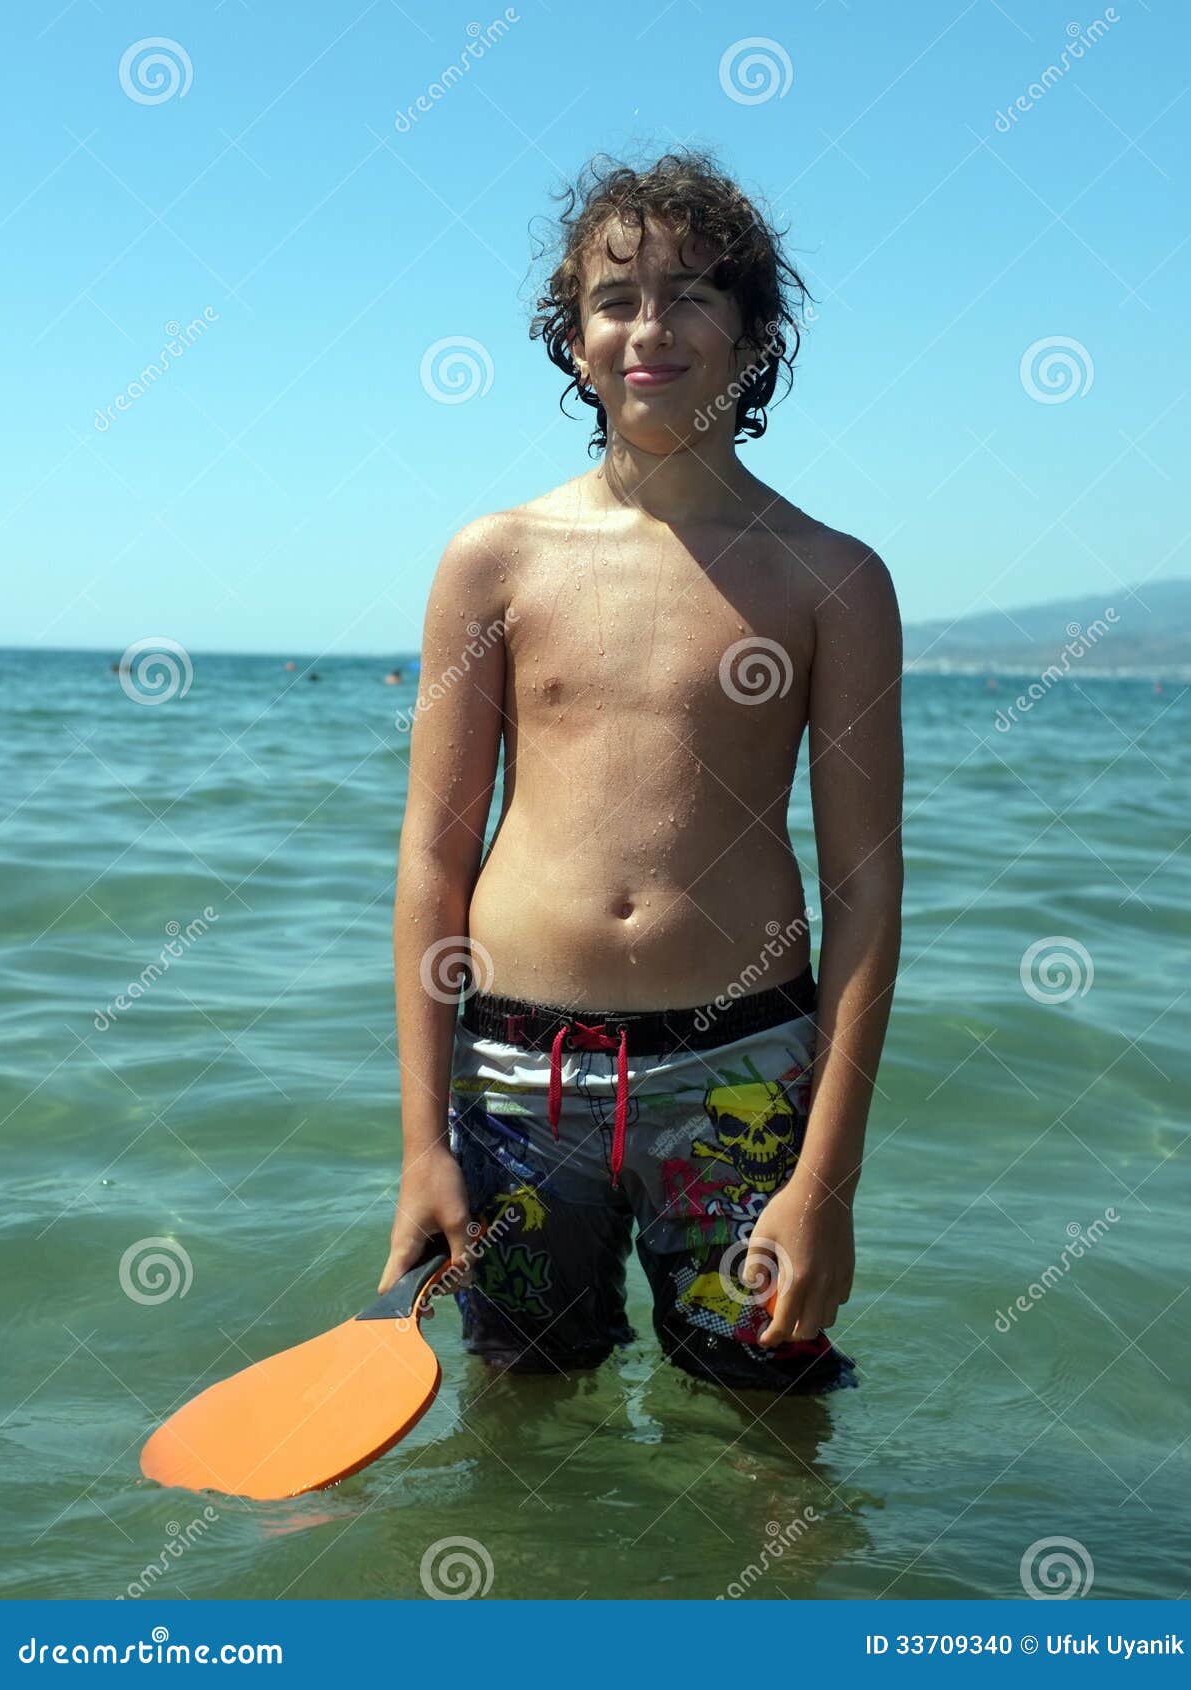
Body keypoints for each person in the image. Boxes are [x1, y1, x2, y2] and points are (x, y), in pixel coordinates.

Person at [379, 150, 903, 1396]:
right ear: (573, 340)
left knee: (772, 1427)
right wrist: (420, 1142)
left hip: (740, 1081)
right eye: (615, 299)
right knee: (520, 1419)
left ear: (755, 334)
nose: (649, 328)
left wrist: (824, 1181)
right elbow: (431, 859)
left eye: (692, 295)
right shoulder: (494, 561)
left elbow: (869, 897)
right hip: (513, 1079)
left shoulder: (832, 577)